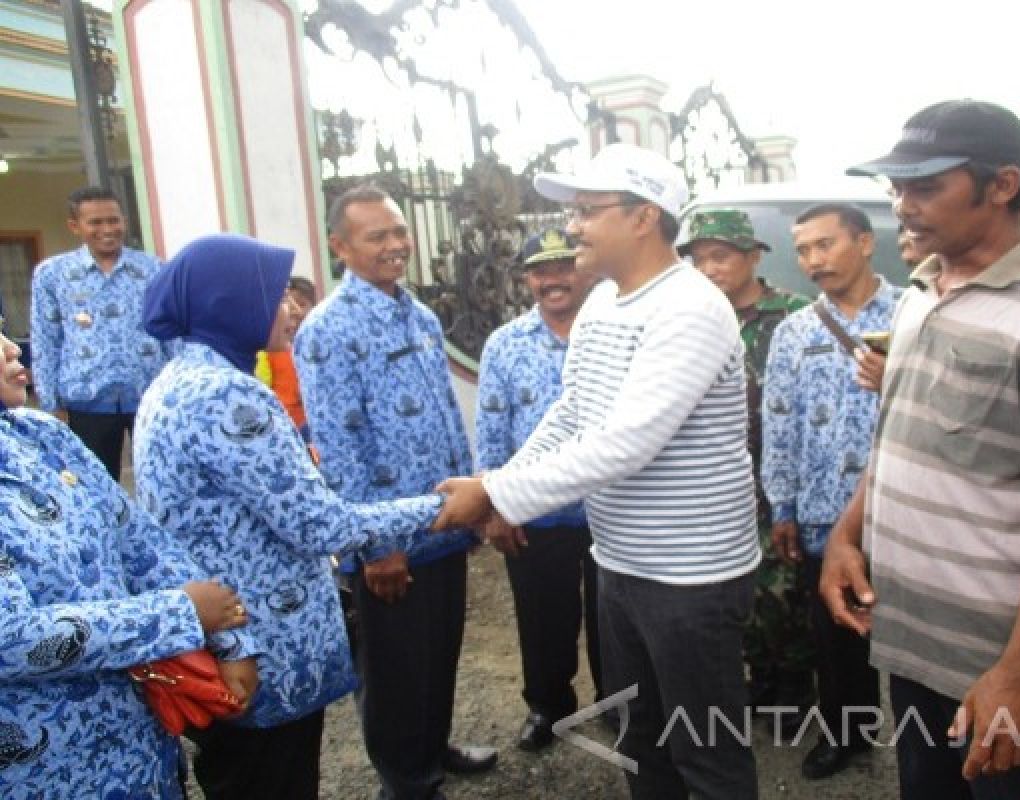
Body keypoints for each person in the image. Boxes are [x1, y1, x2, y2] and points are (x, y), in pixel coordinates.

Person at [822, 99, 1020, 799]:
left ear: (1003, 186)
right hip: (917, 647)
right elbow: (900, 437)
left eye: (926, 187)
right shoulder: (924, 290)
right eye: (896, 187)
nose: (903, 206)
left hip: (1009, 669)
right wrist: (848, 535)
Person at [438, 142, 761, 800]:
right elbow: (574, 411)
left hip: (690, 575)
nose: (571, 226)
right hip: (621, 563)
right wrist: (505, 489)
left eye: (587, 210)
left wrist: (495, 491)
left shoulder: (690, 308)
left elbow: (627, 441)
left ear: (644, 217)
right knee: (641, 740)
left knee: (707, 754)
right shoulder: (605, 303)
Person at [134, 233, 449, 800]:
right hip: (260, 645)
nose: (292, 308)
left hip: (230, 636)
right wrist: (444, 507)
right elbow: (318, 524)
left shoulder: (178, 381)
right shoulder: (226, 396)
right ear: (228, 304)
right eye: (277, 295)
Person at [294, 186, 494, 800]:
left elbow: (446, 420)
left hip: (443, 521)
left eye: (399, 232)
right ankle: (404, 780)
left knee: (439, 652)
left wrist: (474, 508)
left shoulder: (421, 315)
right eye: (377, 236)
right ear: (340, 246)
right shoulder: (329, 329)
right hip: (389, 539)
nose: (395, 245)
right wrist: (375, 546)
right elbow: (337, 448)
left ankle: (432, 748)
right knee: (395, 668)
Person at [0, 323, 257, 798]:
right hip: (50, 776)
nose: (13, 347)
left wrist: (230, 640)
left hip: (139, 747)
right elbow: (11, 639)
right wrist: (180, 614)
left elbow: (140, 542)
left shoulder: (40, 435)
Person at [763, 202, 899, 779]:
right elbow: (779, 421)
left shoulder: (918, 314)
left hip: (904, 508)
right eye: (804, 250)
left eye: (826, 244)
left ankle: (945, 732)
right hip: (824, 512)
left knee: (924, 629)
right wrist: (784, 505)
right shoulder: (794, 330)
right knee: (838, 635)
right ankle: (849, 732)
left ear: (865, 242)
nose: (814, 260)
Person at [678, 208, 814, 720]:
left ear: (753, 257)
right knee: (737, 592)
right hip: (716, 482)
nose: (709, 269)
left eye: (721, 256)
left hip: (779, 479)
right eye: (699, 259)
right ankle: (760, 678)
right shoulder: (691, 322)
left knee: (785, 588)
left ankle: (798, 688)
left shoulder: (795, 315)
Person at [475, 228, 603, 752]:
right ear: (527, 278)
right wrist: (496, 507)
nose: (552, 278)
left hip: (608, 509)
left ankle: (623, 701)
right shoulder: (504, 345)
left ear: (583, 269)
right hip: (536, 512)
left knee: (612, 616)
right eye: (539, 269)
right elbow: (490, 431)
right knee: (541, 617)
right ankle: (548, 707)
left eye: (563, 265)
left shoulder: (611, 333)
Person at [30, 186, 171, 480]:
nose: (107, 229)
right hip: (86, 401)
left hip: (149, 396)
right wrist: (51, 403)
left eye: (114, 220)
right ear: (75, 227)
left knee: (159, 478)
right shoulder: (53, 274)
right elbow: (45, 339)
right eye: (96, 222)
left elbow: (171, 332)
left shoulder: (153, 269)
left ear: (124, 221)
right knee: (96, 484)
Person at [256, 275, 318, 439]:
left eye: (302, 304)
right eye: (284, 300)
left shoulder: (320, 347)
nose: (295, 310)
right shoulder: (269, 351)